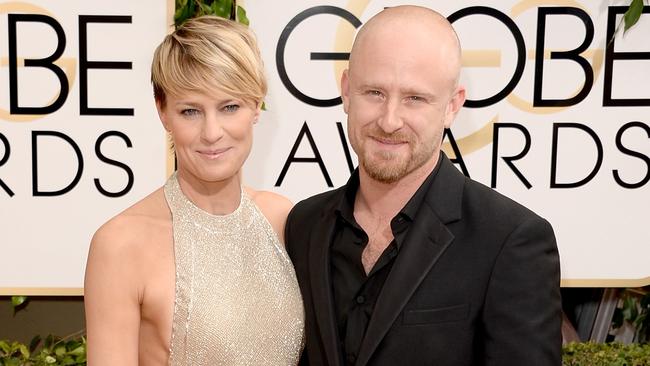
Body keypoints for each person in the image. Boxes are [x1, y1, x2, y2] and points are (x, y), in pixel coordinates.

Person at [284, 5, 561, 366]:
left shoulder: (509, 241)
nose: (389, 120)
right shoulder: (303, 226)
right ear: (347, 91)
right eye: (374, 93)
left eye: (415, 98)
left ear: (452, 106)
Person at [84, 16, 304, 365]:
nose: (212, 132)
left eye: (229, 107)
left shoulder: (283, 219)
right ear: (163, 113)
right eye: (190, 111)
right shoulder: (120, 244)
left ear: (256, 105)